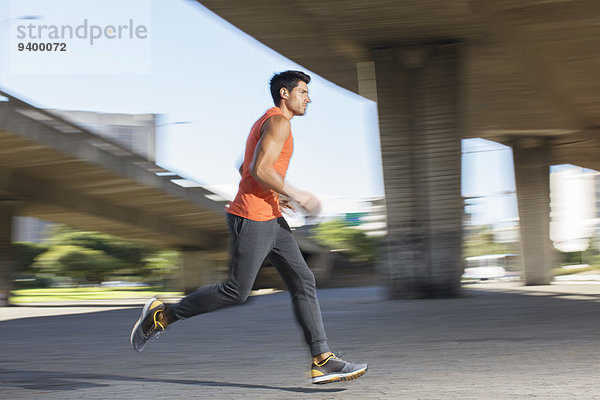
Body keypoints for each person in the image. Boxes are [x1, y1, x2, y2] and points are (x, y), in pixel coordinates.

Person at [130, 70, 367, 384]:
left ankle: (322, 359)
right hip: (253, 217)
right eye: (303, 92)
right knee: (236, 292)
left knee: (303, 280)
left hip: (270, 215)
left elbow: (245, 166)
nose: (308, 99)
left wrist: (276, 196)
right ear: (285, 94)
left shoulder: (267, 122)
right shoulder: (279, 123)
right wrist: (296, 194)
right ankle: (164, 315)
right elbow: (259, 168)